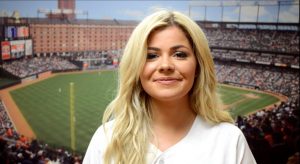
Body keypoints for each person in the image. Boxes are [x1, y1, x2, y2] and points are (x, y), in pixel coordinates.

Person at [83, 10, 256, 164]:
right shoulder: (106, 139)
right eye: (151, 55)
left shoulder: (230, 141)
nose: (165, 65)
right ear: (136, 67)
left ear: (198, 66)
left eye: (179, 54)